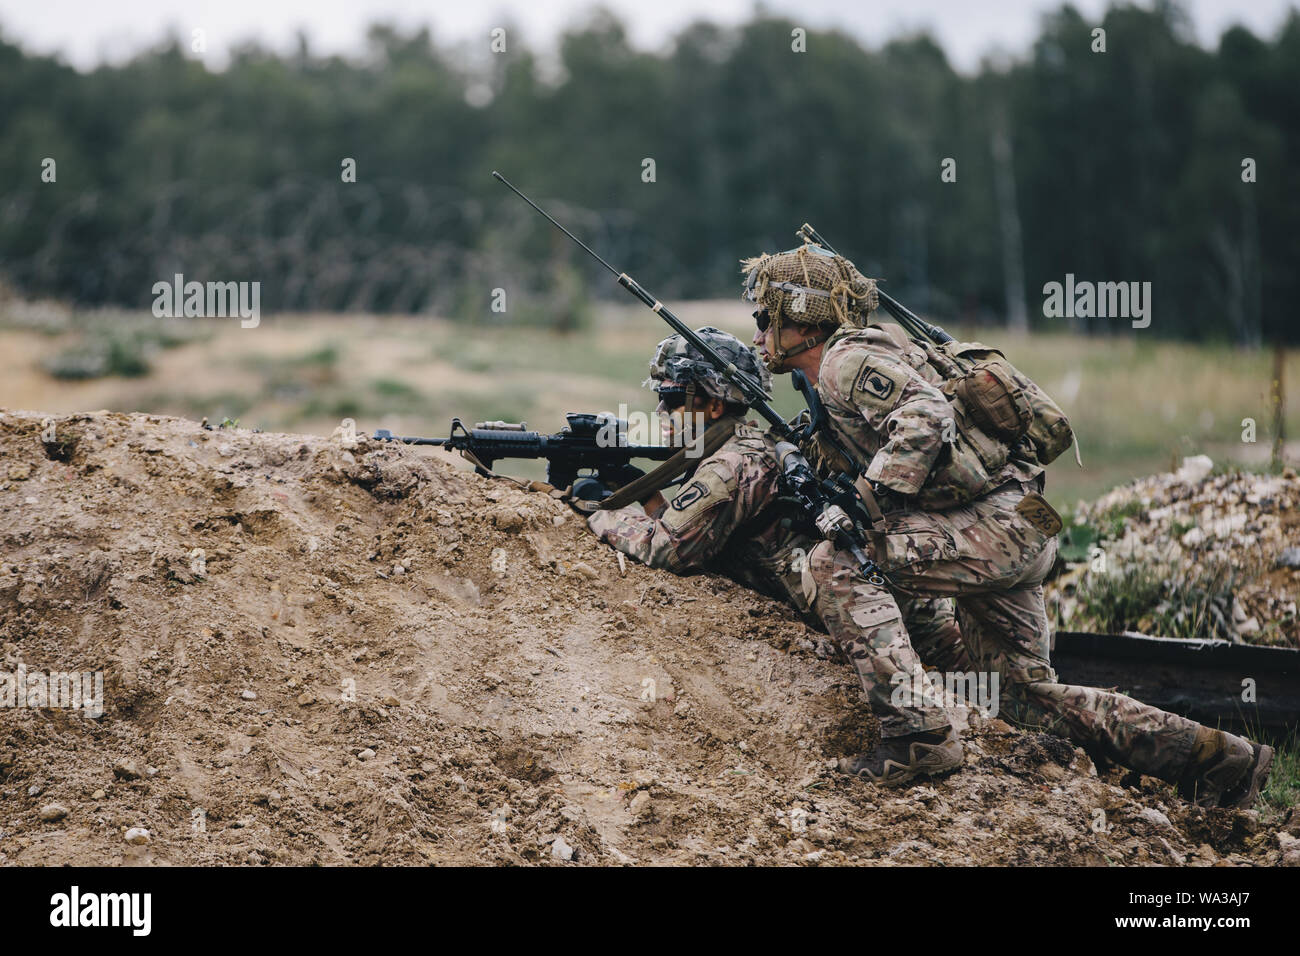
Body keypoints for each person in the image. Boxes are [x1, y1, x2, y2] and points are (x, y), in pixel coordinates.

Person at [735, 241, 1273, 804]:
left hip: (996, 529)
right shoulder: (848, 370)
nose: (757, 332)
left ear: (801, 318)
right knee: (1019, 700)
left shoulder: (847, 362)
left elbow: (927, 416)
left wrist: (865, 503)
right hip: (1019, 522)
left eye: (764, 316)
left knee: (838, 560)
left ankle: (917, 735)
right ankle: (1220, 760)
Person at [585, 327, 971, 744]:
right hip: (897, 605)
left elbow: (665, 549)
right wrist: (644, 497)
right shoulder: (748, 444)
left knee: (992, 703)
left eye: (674, 400)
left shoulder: (729, 465)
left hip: (887, 621)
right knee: (990, 689)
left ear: (714, 406)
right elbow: (701, 529)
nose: (661, 411)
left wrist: (601, 513)